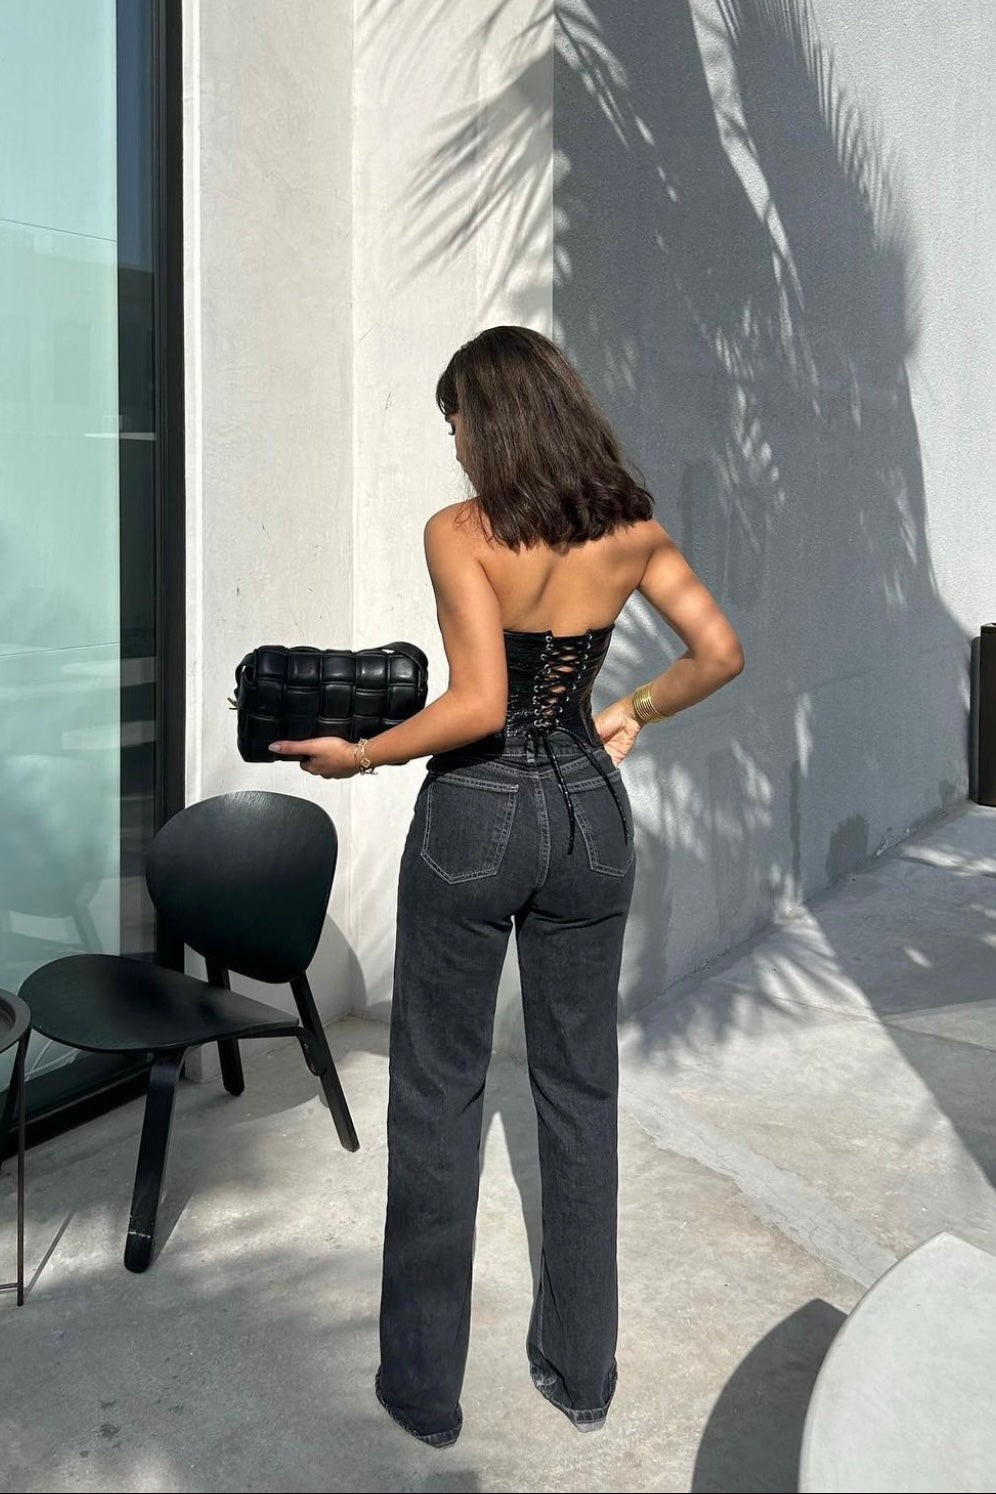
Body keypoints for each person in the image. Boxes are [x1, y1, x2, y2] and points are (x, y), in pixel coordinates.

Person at [269, 326, 743, 1447]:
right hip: (590, 820)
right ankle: (583, 1374)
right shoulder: (632, 532)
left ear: (496, 420)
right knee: (580, 1094)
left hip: (479, 818)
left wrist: (364, 755)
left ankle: (423, 1390)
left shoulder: (462, 533)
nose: (456, 443)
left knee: (439, 1096)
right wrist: (635, 712)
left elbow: (480, 705)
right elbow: (718, 650)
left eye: (459, 422)